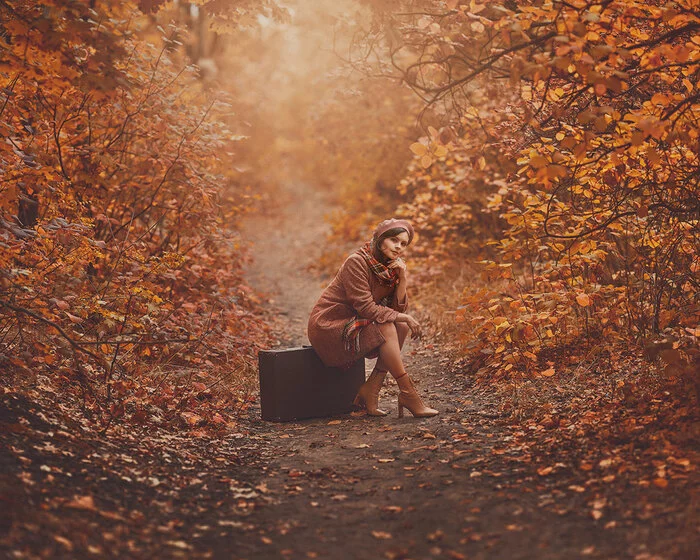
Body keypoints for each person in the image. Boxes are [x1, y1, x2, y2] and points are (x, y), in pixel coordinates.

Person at [307, 218, 438, 418]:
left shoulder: (389, 268)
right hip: (330, 325)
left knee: (399, 326)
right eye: (394, 240)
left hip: (356, 321)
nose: (398, 247)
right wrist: (405, 317)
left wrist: (402, 278)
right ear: (380, 239)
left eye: (403, 244)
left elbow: (396, 309)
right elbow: (366, 308)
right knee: (387, 326)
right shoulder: (357, 262)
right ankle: (408, 394)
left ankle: (371, 389)